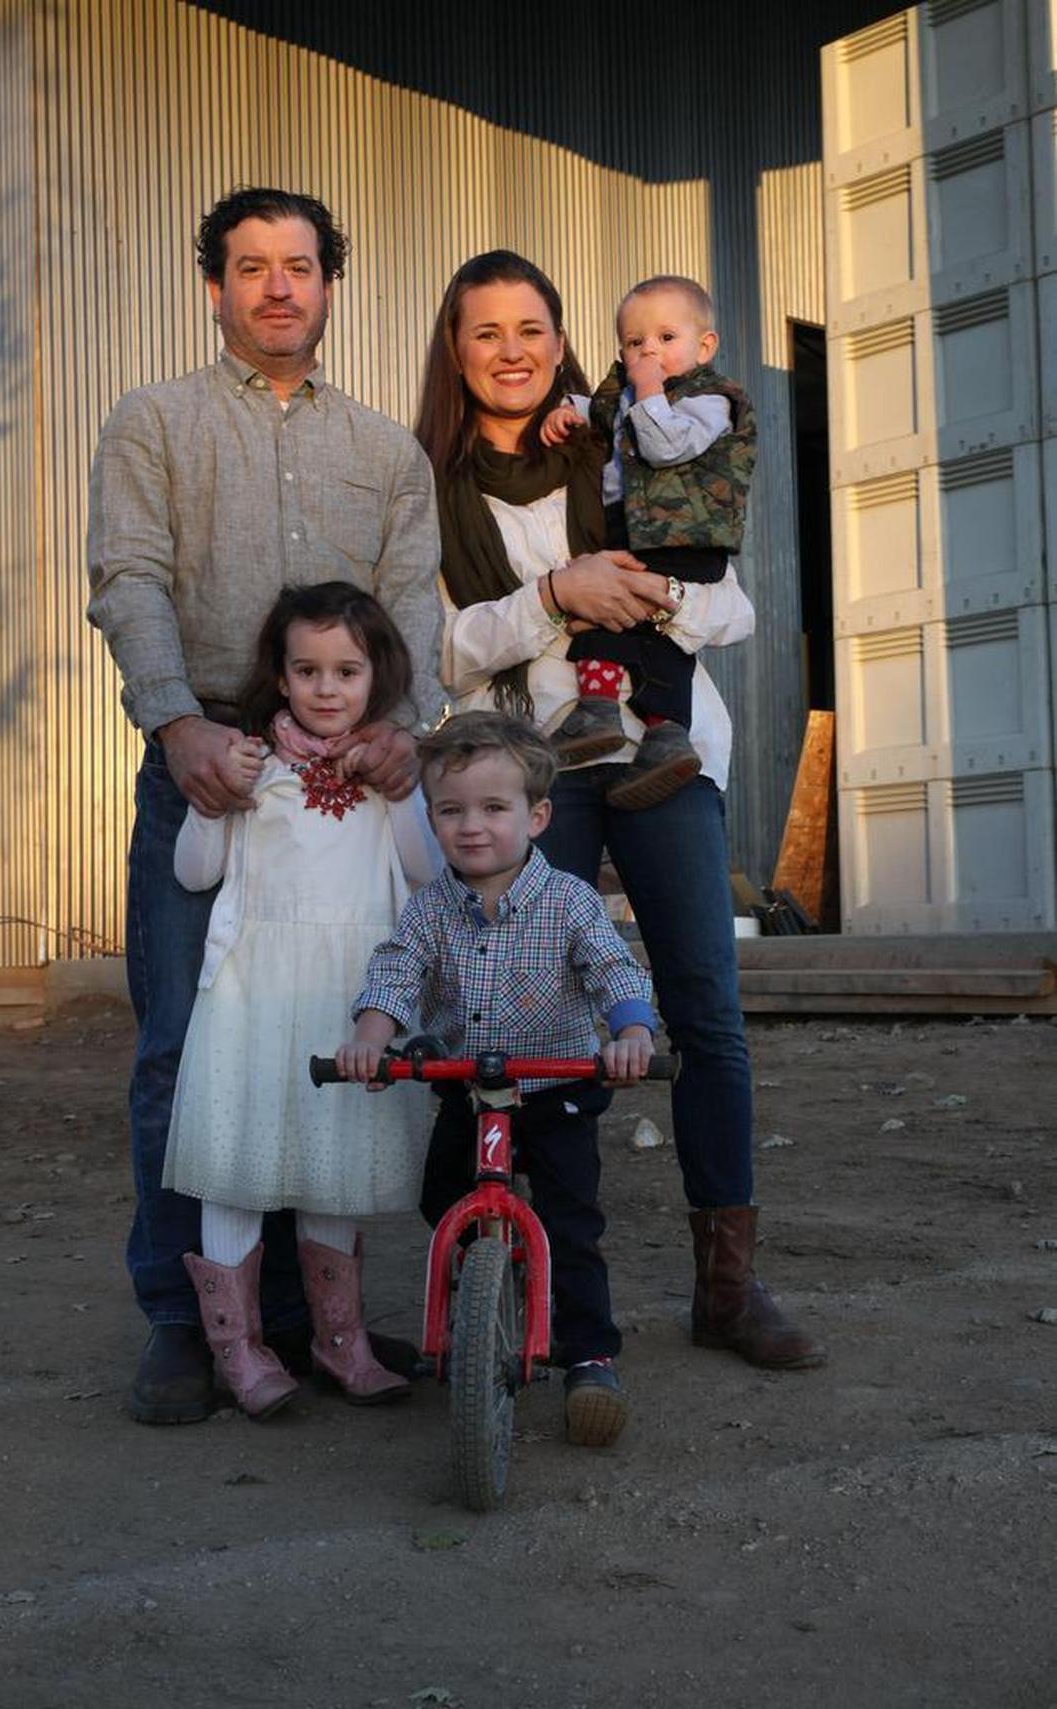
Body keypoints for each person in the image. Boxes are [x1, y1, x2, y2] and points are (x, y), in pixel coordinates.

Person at [414, 250, 825, 1373]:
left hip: (663, 750)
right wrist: (556, 597)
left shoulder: (626, 436)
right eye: (486, 331)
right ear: (456, 351)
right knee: (526, 1018)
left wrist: (649, 595)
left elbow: (729, 600)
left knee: (702, 1006)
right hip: (532, 769)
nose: (512, 350)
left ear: (562, 338)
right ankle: (527, 1266)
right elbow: (441, 645)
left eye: (532, 327)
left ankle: (727, 1285)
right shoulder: (431, 487)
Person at [86, 186, 445, 1425]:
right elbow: (127, 575)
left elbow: (417, 600)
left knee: (337, 1044)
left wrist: (410, 726)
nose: (278, 286)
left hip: (350, 793)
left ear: (331, 284)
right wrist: (177, 719)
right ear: (216, 286)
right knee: (187, 1049)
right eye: (251, 266)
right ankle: (186, 1322)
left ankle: (308, 1319)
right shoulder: (155, 423)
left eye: (300, 265)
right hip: (211, 771)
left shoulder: (386, 450)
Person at [337, 711, 658, 1447]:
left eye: (493, 808)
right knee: (440, 1196)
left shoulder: (570, 901)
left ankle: (588, 1357)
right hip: (470, 1086)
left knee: (572, 1223)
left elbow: (613, 968)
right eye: (450, 810)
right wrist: (370, 1039)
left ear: (536, 815)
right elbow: (396, 972)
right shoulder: (427, 909)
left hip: (557, 1086)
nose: (471, 826)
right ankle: (476, 1313)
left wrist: (632, 1033)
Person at [163, 583, 441, 1415]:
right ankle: (238, 1351)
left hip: (350, 995)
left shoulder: (388, 772)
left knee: (332, 1161)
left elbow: (426, 872)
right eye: (308, 669)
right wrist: (215, 798)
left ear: (375, 676)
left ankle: (339, 1341)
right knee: (237, 1168)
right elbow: (193, 873)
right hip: (253, 993)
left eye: (347, 670)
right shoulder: (255, 765)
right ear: (280, 679)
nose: (327, 687)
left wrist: (401, 794)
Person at [540, 275, 756, 810]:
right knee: (609, 615)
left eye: (665, 338)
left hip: (685, 535)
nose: (649, 352)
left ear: (704, 347)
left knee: (657, 638)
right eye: (636, 343)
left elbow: (664, 447)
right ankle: (601, 712)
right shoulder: (630, 394)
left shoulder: (711, 400)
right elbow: (602, 412)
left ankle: (664, 733)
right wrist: (569, 409)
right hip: (635, 530)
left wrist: (650, 390)